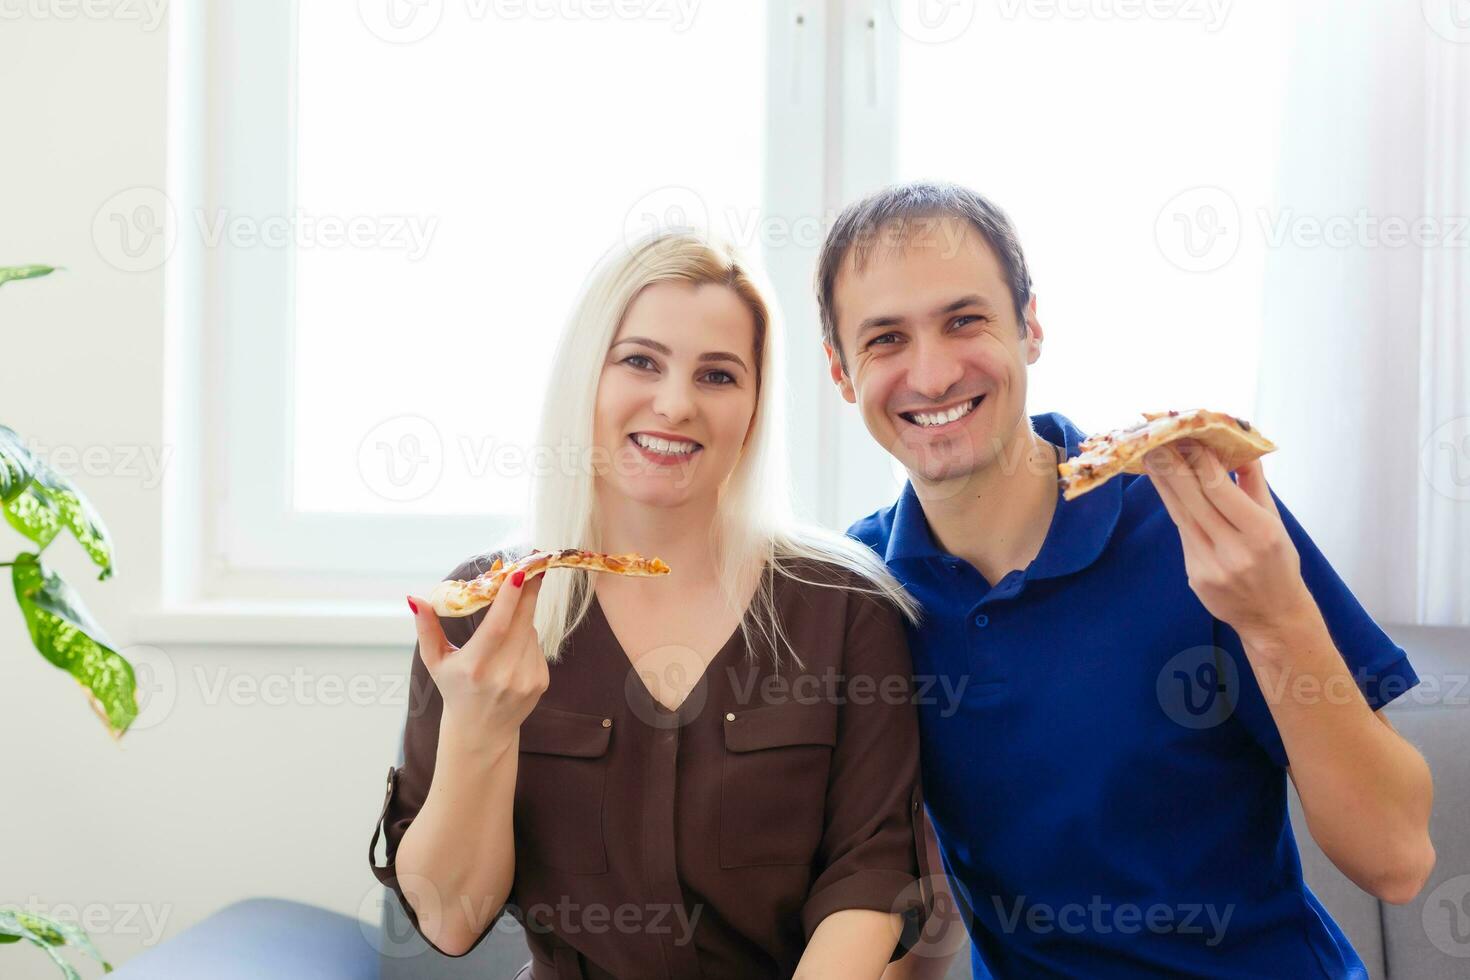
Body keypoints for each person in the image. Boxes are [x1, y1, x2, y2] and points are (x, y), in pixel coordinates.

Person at [814, 181, 1436, 979]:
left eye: (964, 320)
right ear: (840, 372)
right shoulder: (859, 594)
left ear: (1030, 325)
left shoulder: (1196, 512)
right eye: (885, 340)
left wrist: (1275, 615)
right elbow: (912, 909)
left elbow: (1398, 858)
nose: (931, 375)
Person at [368, 230, 934, 979]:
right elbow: (450, 919)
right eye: (641, 361)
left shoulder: (848, 608)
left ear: (756, 403)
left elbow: (868, 880)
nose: (675, 404)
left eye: (718, 375)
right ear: (586, 376)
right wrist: (478, 727)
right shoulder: (484, 611)